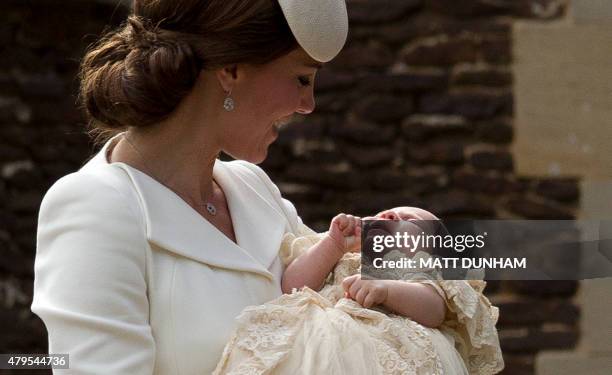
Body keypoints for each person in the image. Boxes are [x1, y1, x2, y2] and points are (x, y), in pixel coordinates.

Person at [30, 0, 502, 374]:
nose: (308, 104)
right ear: (231, 70)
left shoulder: (251, 188)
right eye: (301, 77)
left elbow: (350, 302)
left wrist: (419, 240)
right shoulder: (94, 207)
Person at [213, 207, 504, 374]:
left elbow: (434, 310)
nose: (393, 214)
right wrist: (332, 245)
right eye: (389, 211)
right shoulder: (342, 255)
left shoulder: (416, 268)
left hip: (378, 353)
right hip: (314, 344)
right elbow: (291, 286)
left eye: (411, 221)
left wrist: (386, 290)